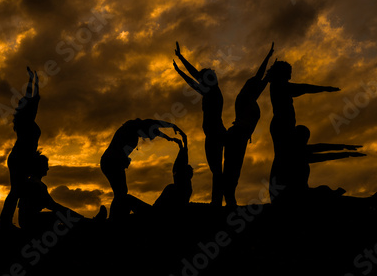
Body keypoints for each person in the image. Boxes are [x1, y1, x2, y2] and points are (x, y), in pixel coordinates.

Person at [266, 60, 340, 201]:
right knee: (286, 156)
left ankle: (286, 189)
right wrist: (324, 88)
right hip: (281, 126)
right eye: (288, 72)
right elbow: (303, 88)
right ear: (282, 73)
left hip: (283, 125)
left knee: (288, 157)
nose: (290, 75)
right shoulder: (279, 86)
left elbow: (301, 88)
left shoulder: (279, 86)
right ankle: (282, 192)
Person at [271, 125, 377, 210]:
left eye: (306, 139)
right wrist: (346, 153)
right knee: (325, 194)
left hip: (298, 195)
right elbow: (324, 155)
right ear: (296, 138)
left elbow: (320, 147)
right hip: (291, 199)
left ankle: (369, 202)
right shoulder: (290, 154)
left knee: (325, 192)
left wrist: (344, 148)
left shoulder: (297, 151)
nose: (306, 142)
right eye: (303, 138)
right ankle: (369, 203)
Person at [173, 41, 226, 206]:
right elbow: (194, 78)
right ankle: (217, 200)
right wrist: (180, 64)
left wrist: (181, 63)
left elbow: (194, 77)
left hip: (215, 132)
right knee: (216, 169)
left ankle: (217, 201)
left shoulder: (212, 91)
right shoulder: (211, 91)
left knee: (216, 169)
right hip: (214, 132)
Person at [223, 43, 274, 207]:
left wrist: (269, 57)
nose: (259, 85)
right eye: (255, 84)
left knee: (235, 170)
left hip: (241, 136)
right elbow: (259, 77)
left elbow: (263, 80)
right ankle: (227, 199)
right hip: (236, 134)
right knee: (231, 169)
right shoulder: (244, 97)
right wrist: (267, 59)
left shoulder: (251, 98)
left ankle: (230, 199)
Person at [100, 118, 184, 218]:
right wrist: (173, 127)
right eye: (148, 136)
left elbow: (155, 130)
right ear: (145, 129)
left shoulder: (136, 129)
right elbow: (156, 124)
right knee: (121, 192)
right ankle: (115, 217)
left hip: (113, 162)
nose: (148, 139)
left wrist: (168, 136)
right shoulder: (130, 129)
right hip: (111, 162)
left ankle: (115, 216)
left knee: (121, 192)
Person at [18, 152, 107, 231]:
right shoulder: (35, 185)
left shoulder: (34, 183)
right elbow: (53, 206)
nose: (48, 168)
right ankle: (91, 223)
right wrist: (72, 214)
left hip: (28, 220)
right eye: (45, 165)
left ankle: (90, 222)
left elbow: (52, 205)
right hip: (30, 221)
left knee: (62, 215)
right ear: (39, 167)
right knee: (60, 215)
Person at [0, 67, 41, 229]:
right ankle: (6, 222)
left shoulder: (25, 120)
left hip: (22, 158)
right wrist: (33, 81)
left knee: (19, 191)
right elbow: (33, 97)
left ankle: (10, 221)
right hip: (19, 158)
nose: (35, 107)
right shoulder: (26, 121)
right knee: (16, 191)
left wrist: (33, 80)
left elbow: (33, 97)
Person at [111, 135, 193, 216]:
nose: (175, 174)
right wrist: (183, 147)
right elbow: (179, 168)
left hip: (154, 214)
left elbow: (178, 170)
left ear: (183, 175)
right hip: (154, 211)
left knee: (127, 199)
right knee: (126, 199)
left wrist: (184, 147)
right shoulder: (184, 187)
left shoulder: (178, 189)